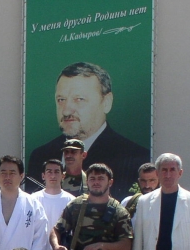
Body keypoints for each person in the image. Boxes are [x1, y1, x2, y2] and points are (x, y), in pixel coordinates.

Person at [27, 62, 148, 199]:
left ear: (106, 102)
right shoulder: (40, 156)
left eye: (79, 99)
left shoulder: (132, 158)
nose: (66, 111)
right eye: (61, 100)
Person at [31, 159, 75, 250]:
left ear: (63, 175)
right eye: (49, 172)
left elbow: (72, 234)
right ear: (43, 175)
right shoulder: (32, 199)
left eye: (57, 172)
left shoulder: (72, 201)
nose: (53, 175)